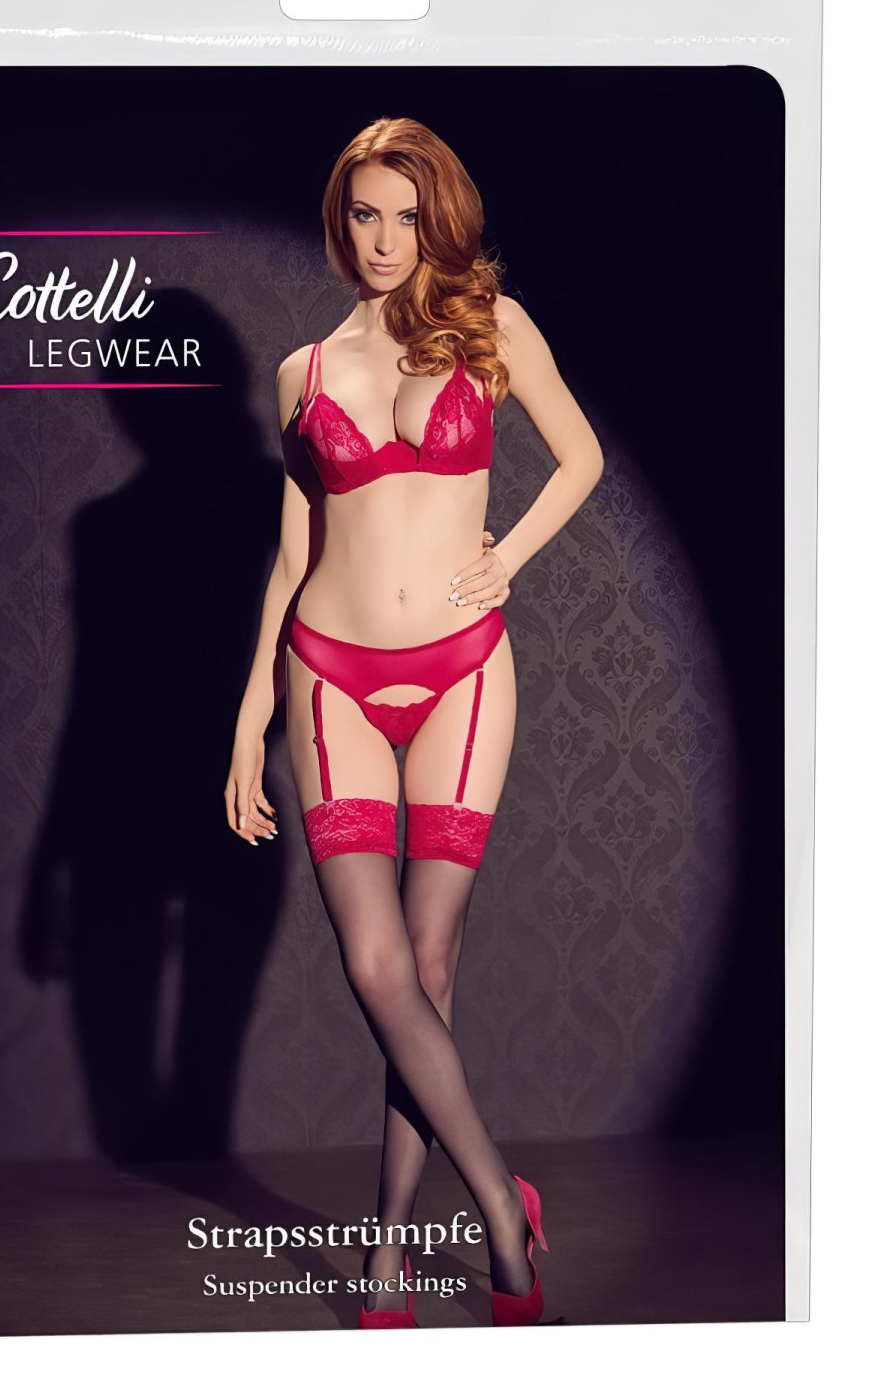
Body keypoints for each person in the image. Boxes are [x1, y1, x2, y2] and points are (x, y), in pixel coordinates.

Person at [225, 117, 603, 1326]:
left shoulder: (490, 328)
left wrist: (506, 564)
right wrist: (250, 714)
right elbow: (295, 546)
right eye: (364, 214)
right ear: (339, 220)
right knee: (376, 967)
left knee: (428, 968)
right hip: (327, 673)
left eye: (405, 215)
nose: (384, 239)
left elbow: (580, 458)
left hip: (461, 671)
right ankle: (499, 1208)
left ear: (437, 220)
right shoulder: (301, 373)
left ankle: (388, 1252)